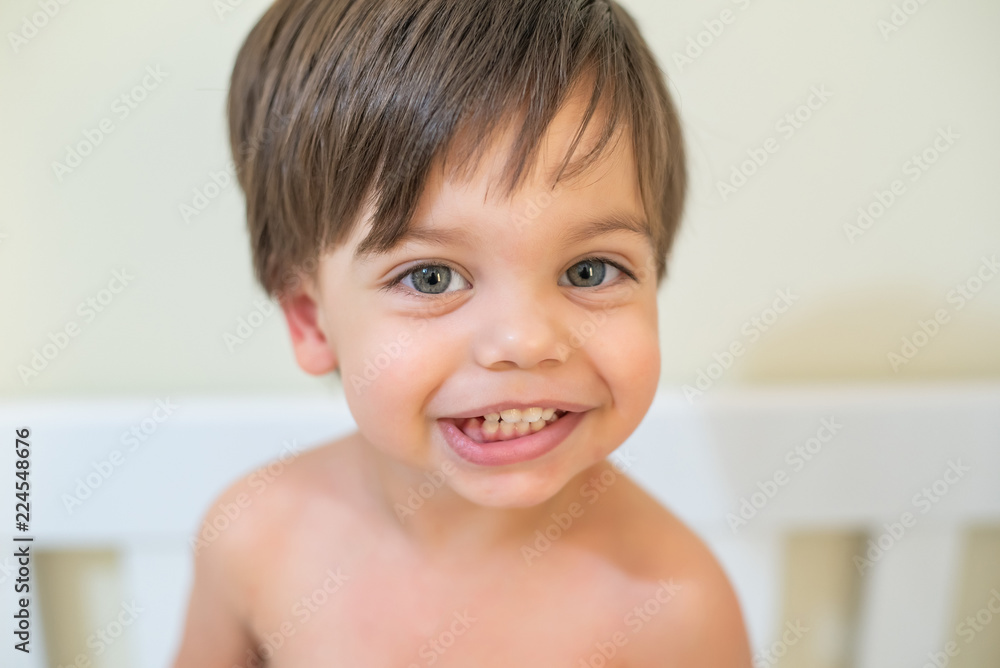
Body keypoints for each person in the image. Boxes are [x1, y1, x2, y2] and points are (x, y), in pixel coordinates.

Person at [172, 0, 752, 664]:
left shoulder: (674, 611)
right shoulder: (254, 539)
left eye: (589, 271)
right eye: (432, 279)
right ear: (311, 318)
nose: (526, 341)